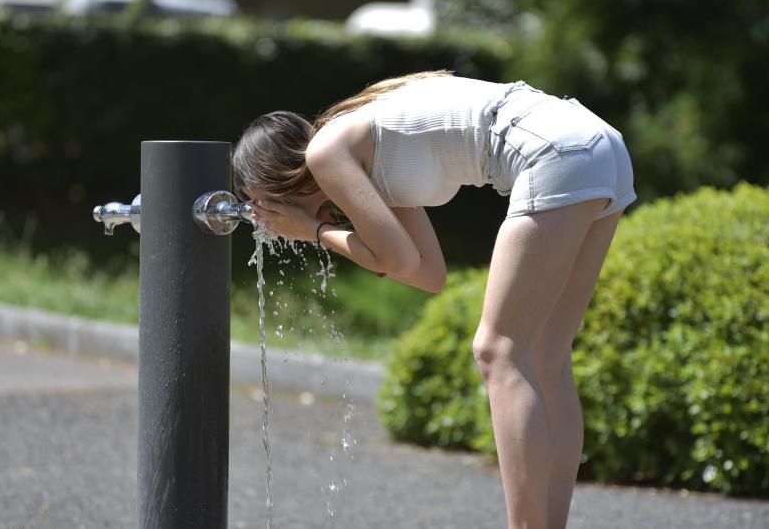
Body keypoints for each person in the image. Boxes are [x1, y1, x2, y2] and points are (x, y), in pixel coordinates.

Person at [232, 69, 637, 529]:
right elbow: (428, 273)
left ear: (275, 182)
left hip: (556, 151)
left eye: (262, 204)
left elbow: (398, 261)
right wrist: (320, 229)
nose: (266, 218)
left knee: (498, 350)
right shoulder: (362, 151)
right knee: (546, 356)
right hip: (598, 145)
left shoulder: (326, 152)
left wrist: (314, 231)